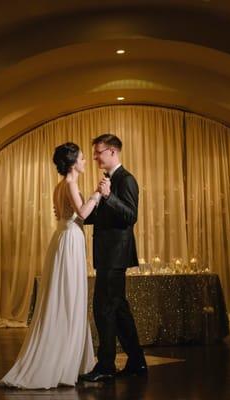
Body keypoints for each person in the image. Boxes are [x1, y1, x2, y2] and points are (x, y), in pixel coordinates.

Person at [0, 142, 99, 389]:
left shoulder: (60, 185)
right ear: (73, 162)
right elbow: (84, 213)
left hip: (63, 237)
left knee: (65, 296)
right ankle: (64, 361)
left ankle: (70, 358)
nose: (86, 162)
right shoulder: (70, 184)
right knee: (69, 296)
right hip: (70, 240)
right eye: (83, 159)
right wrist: (97, 194)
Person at [80, 133, 147, 382]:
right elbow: (104, 217)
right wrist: (80, 212)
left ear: (112, 152)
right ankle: (137, 361)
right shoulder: (109, 179)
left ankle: (106, 365)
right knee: (117, 309)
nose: (95, 156)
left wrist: (108, 196)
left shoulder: (126, 179)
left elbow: (130, 216)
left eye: (98, 152)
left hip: (115, 255)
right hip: (108, 255)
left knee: (103, 308)